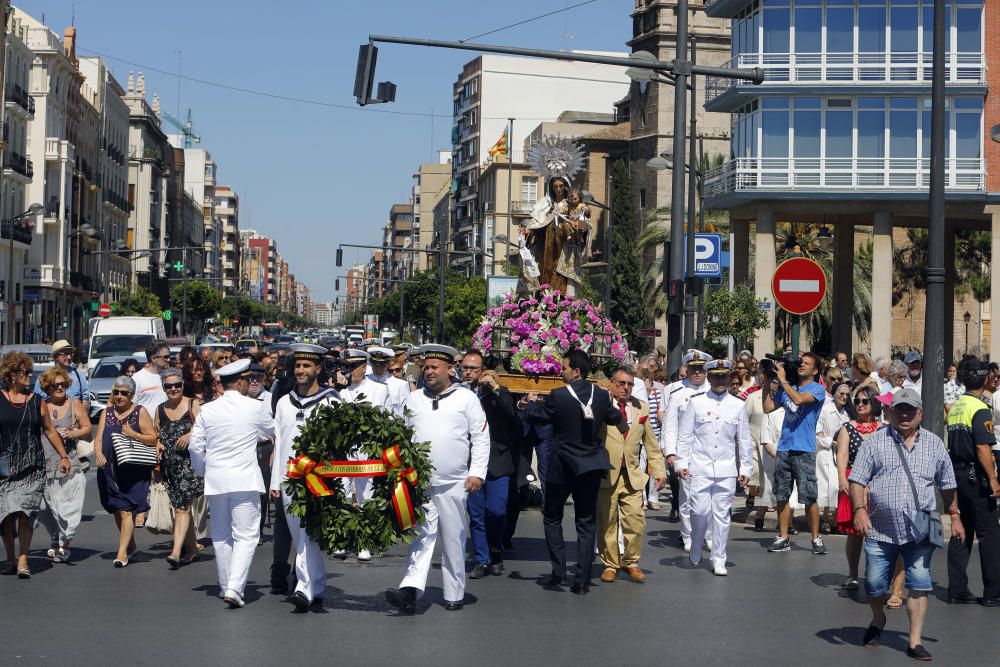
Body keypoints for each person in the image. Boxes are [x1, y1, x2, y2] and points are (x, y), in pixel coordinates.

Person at [849, 388, 961, 661]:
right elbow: (857, 480)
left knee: (920, 584)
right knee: (875, 584)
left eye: (910, 409)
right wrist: (859, 510)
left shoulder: (935, 444)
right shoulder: (875, 442)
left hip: (923, 524)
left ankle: (914, 641)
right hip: (880, 526)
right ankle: (878, 618)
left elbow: (947, 484)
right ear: (890, 412)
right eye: (900, 409)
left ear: (920, 413)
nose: (905, 414)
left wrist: (955, 516)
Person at [385, 345, 489, 613]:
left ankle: (454, 592)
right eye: (426, 367)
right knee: (421, 536)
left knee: (453, 538)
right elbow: (401, 436)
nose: (429, 372)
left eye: (434, 367)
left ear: (449, 370)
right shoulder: (414, 399)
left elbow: (480, 437)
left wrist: (476, 471)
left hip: (454, 482)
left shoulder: (466, 399)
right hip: (419, 483)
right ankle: (409, 591)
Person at [522, 349, 622, 595]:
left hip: (562, 466)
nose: (561, 372)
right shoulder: (600, 396)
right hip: (589, 466)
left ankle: (558, 574)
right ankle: (582, 581)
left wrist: (526, 403)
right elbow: (615, 417)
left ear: (576, 371)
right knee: (586, 522)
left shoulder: (558, 395)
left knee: (552, 517)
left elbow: (540, 416)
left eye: (564, 368)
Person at [189, 359, 276, 608]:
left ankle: (226, 584)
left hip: (216, 480)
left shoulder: (208, 410)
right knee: (246, 536)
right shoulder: (254, 407)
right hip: (245, 479)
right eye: (247, 381)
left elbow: (196, 446)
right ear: (240, 382)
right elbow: (272, 430)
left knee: (221, 535)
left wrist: (203, 469)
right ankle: (235, 587)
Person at [270, 344, 340, 611]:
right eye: (298, 365)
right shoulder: (285, 402)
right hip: (289, 479)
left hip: (318, 478)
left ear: (318, 369)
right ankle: (317, 582)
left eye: (306, 366)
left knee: (307, 532)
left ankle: (303, 587)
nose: (300, 370)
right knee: (302, 535)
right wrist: (275, 482)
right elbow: (279, 443)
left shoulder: (331, 400)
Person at [677, 360, 752, 576]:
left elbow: (744, 440)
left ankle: (719, 558)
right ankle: (697, 542)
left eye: (724, 377)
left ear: (729, 378)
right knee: (699, 511)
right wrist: (682, 462)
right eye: (716, 377)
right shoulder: (696, 402)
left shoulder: (737, 405)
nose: (720, 381)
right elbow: (685, 435)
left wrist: (745, 469)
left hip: (726, 469)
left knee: (721, 515)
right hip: (699, 467)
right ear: (709, 378)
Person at [0, 352, 71, 578]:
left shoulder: (36, 401)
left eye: (30, 372)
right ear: (11, 375)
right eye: (25, 373)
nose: (30, 376)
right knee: (6, 515)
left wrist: (63, 455)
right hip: (4, 467)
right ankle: (10, 556)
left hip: (32, 467)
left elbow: (49, 430)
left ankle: (22, 559)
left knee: (26, 512)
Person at [596, 366, 665, 583]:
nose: (626, 388)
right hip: (607, 474)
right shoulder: (601, 407)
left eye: (630, 384)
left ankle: (631, 562)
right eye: (621, 383)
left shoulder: (641, 408)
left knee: (636, 521)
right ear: (611, 384)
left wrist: (659, 471)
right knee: (607, 522)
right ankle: (610, 564)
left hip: (632, 476)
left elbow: (651, 444)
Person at [945, 358, 1000, 606]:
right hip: (975, 476)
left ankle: (957, 589)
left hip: (957, 475)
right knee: (989, 534)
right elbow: (982, 447)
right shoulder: (979, 408)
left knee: (961, 531)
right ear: (985, 379)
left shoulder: (957, 406)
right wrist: (993, 478)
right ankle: (993, 592)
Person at [763, 352, 827, 554]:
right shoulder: (788, 388)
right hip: (784, 448)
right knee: (782, 495)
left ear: (815, 370)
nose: (802, 366)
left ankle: (816, 538)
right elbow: (767, 407)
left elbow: (799, 400)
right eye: (801, 363)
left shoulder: (817, 389)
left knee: (809, 496)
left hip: (804, 450)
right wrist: (767, 380)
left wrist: (782, 381)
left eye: (806, 364)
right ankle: (783, 537)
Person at [462, 350, 517, 579]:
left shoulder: (498, 392)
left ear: (482, 370)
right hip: (470, 462)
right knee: (476, 514)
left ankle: (496, 548)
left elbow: (510, 415)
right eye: (465, 367)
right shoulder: (457, 393)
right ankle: (482, 560)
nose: (468, 372)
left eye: (473, 368)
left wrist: (494, 389)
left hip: (497, 462)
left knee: (496, 511)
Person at [93, 375, 159, 567]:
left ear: (131, 395)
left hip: (132, 470)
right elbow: (98, 438)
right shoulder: (108, 412)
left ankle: (121, 554)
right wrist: (98, 453)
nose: (119, 396)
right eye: (116, 392)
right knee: (116, 508)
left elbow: (153, 438)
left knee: (125, 511)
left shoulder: (140, 411)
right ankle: (131, 546)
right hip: (109, 468)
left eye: (124, 393)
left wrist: (134, 434)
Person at [36, 367, 92, 563]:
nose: (60, 388)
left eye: (62, 385)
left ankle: (64, 543)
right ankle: (54, 537)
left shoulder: (74, 403)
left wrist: (73, 433)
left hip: (69, 460)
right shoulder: (41, 404)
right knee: (44, 507)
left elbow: (86, 428)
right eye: (55, 385)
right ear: (47, 387)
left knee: (68, 507)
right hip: (43, 462)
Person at [662, 350, 713, 549]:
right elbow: (670, 426)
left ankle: (708, 535)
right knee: (687, 497)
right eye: (693, 368)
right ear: (687, 370)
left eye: (701, 368)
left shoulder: (715, 390)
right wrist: (670, 453)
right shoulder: (677, 392)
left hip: (709, 452)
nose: (697, 372)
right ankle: (688, 536)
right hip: (686, 453)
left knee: (708, 497)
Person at [835, 385, 882, 590]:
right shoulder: (847, 428)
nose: (860, 405)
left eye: (865, 401)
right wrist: (842, 479)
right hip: (853, 480)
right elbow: (842, 456)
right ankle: (853, 574)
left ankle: (876, 575)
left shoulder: (883, 428)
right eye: (857, 401)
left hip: (878, 482)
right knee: (854, 532)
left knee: (877, 532)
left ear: (874, 403)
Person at [155, 367, 203, 569]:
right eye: (169, 386)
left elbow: (203, 425)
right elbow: (156, 433)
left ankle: (175, 552)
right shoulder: (160, 409)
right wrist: (158, 444)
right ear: (164, 387)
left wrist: (190, 435)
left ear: (183, 385)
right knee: (182, 507)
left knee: (182, 508)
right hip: (170, 466)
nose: (173, 389)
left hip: (190, 465)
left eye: (177, 385)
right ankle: (191, 550)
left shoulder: (193, 403)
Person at [816, 380, 850, 534]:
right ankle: (824, 519)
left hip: (839, 453)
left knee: (837, 487)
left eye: (847, 395)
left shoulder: (846, 414)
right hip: (825, 452)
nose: (844, 397)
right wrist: (831, 441)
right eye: (841, 394)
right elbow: (817, 432)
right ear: (834, 394)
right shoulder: (825, 410)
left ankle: (835, 519)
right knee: (826, 488)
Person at [33, 340, 90, 410]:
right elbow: (38, 399)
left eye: (71, 354)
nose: (69, 357)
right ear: (56, 356)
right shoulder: (46, 376)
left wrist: (83, 413)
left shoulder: (78, 373)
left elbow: (85, 397)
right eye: (65, 354)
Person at [366, 346, 409, 417]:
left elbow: (405, 412)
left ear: (388, 364)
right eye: (375, 363)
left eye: (382, 364)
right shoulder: (364, 382)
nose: (378, 367)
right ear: (371, 363)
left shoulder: (401, 385)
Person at [132, 340, 170, 412]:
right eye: (166, 357)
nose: (168, 360)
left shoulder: (169, 376)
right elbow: (132, 405)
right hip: (144, 422)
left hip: (166, 422)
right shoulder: (137, 378)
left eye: (169, 356)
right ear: (153, 358)